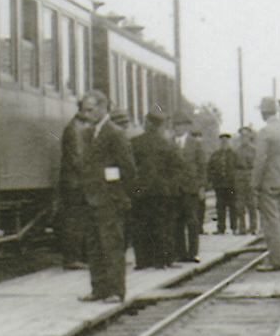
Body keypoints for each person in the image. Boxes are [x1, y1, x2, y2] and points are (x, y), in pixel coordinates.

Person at [74, 89, 137, 302]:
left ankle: (116, 291)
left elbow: (127, 169)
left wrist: (117, 193)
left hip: (110, 200)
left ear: (103, 108)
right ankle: (99, 289)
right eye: (85, 110)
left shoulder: (115, 134)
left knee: (111, 246)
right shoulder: (88, 133)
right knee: (94, 246)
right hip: (91, 199)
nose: (86, 114)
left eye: (91, 110)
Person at [130, 111, 185, 270]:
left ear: (147, 124)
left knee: (140, 226)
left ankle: (142, 261)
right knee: (163, 225)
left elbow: (129, 167)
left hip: (141, 192)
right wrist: (171, 185)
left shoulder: (135, 143)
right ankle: (162, 260)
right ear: (161, 126)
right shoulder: (168, 144)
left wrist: (134, 185)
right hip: (163, 192)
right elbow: (179, 167)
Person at [56, 97, 96, 269]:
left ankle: (78, 257)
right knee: (76, 220)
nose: (91, 113)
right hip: (76, 182)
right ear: (82, 110)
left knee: (79, 220)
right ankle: (73, 258)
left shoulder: (79, 127)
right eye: (89, 110)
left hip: (76, 181)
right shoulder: (77, 129)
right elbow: (79, 158)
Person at [253, 97, 280, 269]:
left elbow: (260, 160)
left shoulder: (265, 132)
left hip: (269, 182)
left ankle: (276, 260)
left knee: (271, 222)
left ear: (263, 112)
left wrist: (254, 184)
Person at [174, 117, 209, 262]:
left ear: (187, 127)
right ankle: (180, 253)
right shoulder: (170, 143)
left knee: (192, 221)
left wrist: (202, 187)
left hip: (191, 188)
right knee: (177, 222)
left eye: (182, 125)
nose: (179, 128)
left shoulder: (195, 144)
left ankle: (193, 253)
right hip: (175, 189)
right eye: (177, 125)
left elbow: (202, 167)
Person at [208, 134, 241, 234]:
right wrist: (212, 180)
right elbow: (211, 168)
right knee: (220, 207)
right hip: (220, 185)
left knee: (233, 207)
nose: (224, 142)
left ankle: (234, 227)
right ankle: (221, 228)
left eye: (226, 140)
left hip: (232, 185)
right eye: (222, 140)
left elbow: (238, 168)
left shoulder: (234, 154)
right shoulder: (216, 154)